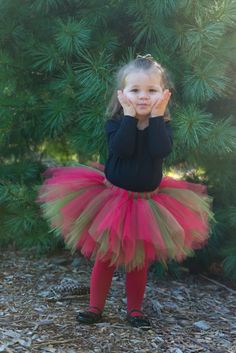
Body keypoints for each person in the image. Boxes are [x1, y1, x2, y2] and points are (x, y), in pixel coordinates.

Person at [38, 54, 213, 330]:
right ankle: (95, 307)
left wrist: (156, 117)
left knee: (137, 263)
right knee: (106, 258)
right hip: (113, 200)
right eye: (135, 90)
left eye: (152, 91)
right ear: (122, 95)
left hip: (148, 205)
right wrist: (130, 116)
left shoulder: (162, 127)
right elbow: (122, 149)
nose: (143, 97)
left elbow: (160, 150)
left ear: (164, 95)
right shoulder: (116, 124)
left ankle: (134, 310)